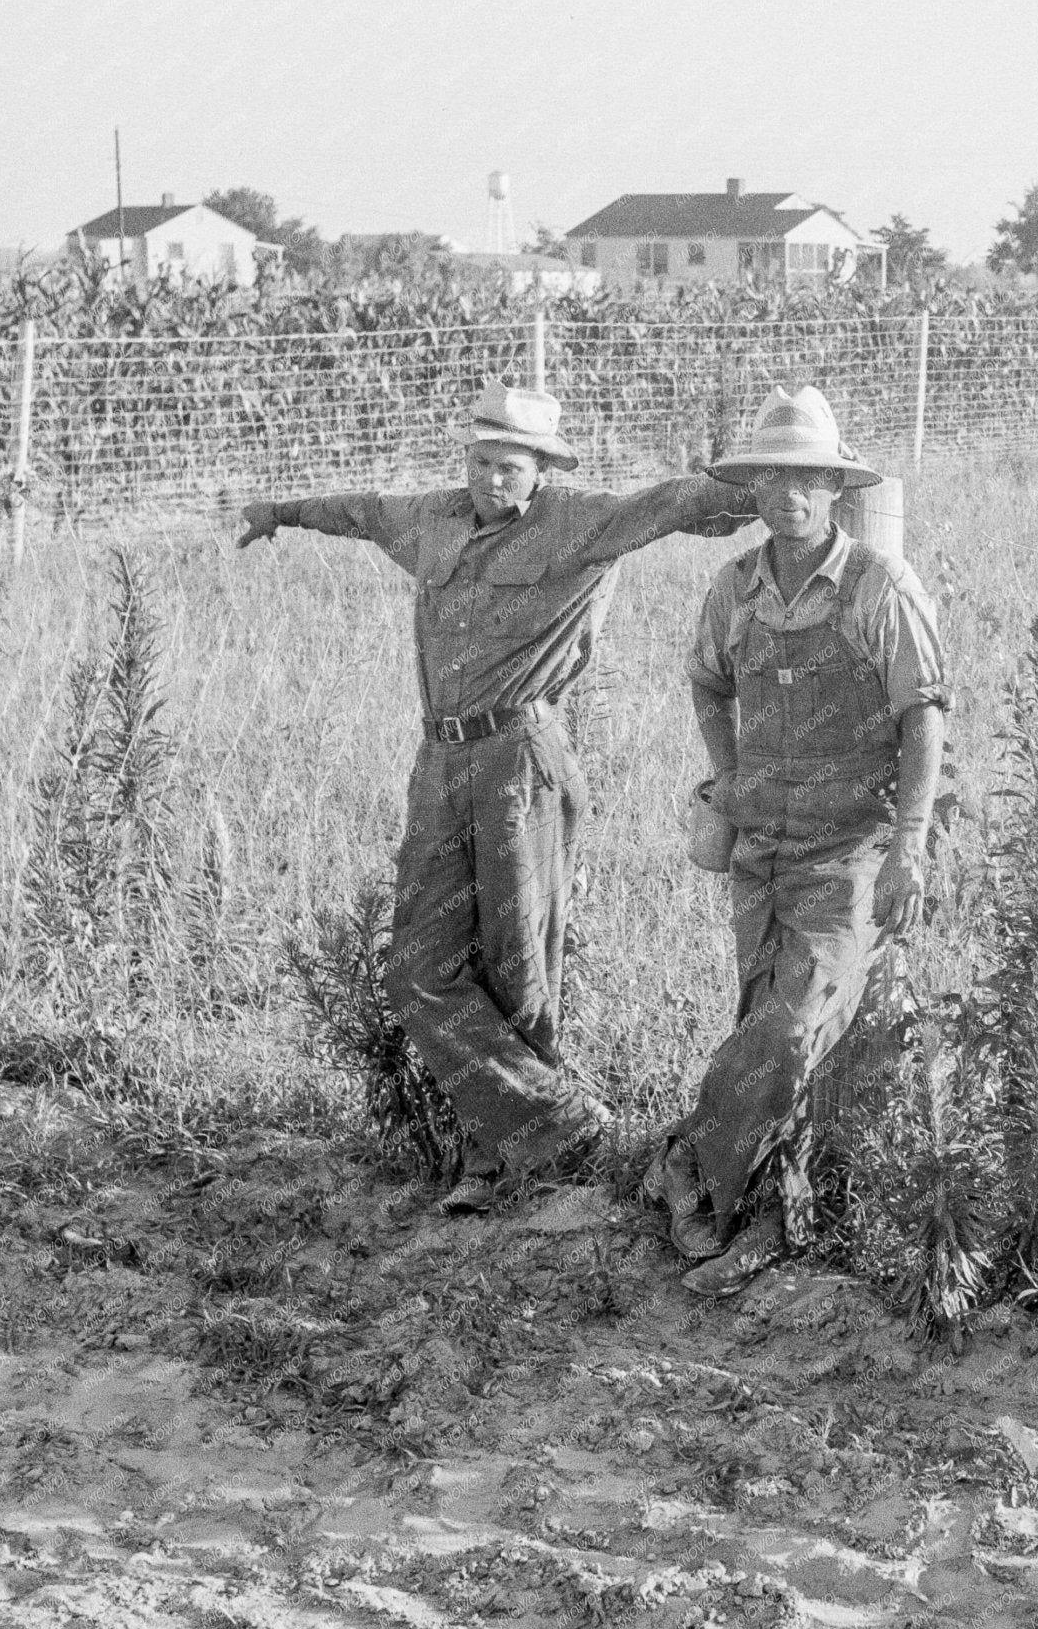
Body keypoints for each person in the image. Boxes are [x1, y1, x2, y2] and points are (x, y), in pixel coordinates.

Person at [238, 376, 753, 1215]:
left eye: (510, 466)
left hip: (522, 757)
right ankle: (561, 1121)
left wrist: (762, 483)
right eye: (481, 461)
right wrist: (281, 512)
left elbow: (677, 504)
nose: (492, 480)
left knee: (518, 962)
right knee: (419, 970)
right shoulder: (432, 517)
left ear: (542, 468)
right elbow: (363, 510)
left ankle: (501, 1163)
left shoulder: (579, 521)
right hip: (438, 764)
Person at [645, 386, 950, 1298]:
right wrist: (728, 773)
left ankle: (685, 1165)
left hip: (845, 851)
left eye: (807, 477)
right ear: (756, 487)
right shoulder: (734, 587)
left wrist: (910, 846)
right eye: (772, 476)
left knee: (790, 1028)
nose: (789, 493)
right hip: (759, 849)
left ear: (833, 487)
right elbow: (706, 682)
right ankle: (773, 1213)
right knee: (769, 1027)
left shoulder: (876, 588)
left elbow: (923, 718)